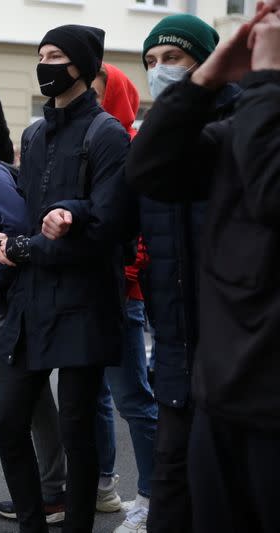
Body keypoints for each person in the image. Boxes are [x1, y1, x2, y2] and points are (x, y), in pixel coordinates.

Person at [126, 4, 280, 531]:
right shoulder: (230, 127)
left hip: (264, 392)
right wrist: (206, 79)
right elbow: (150, 168)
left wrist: (265, 84)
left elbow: (269, 192)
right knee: (176, 493)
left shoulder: (257, 114)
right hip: (207, 374)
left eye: (174, 58)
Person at [0, 25, 133, 533]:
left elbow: (111, 227)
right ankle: (32, 524)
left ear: (84, 66)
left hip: (84, 300)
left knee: (76, 429)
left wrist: (48, 236)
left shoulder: (107, 133)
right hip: (31, 298)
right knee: (6, 421)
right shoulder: (34, 133)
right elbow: (23, 214)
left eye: (56, 56)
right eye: (41, 55)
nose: (44, 64)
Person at [124, 14, 237, 533]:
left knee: (228, 493)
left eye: (172, 58)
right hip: (174, 347)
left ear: (208, 61)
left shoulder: (241, 125)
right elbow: (118, 207)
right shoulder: (158, 139)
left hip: (238, 353)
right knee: (171, 487)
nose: (160, 70)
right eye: (151, 61)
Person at [89, 62, 158, 533]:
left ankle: (154, 497)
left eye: (96, 94)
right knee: (92, 396)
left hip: (120, 295)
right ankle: (102, 486)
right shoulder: (85, 144)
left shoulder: (131, 150)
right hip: (84, 293)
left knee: (133, 398)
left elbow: (143, 230)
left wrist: (123, 275)